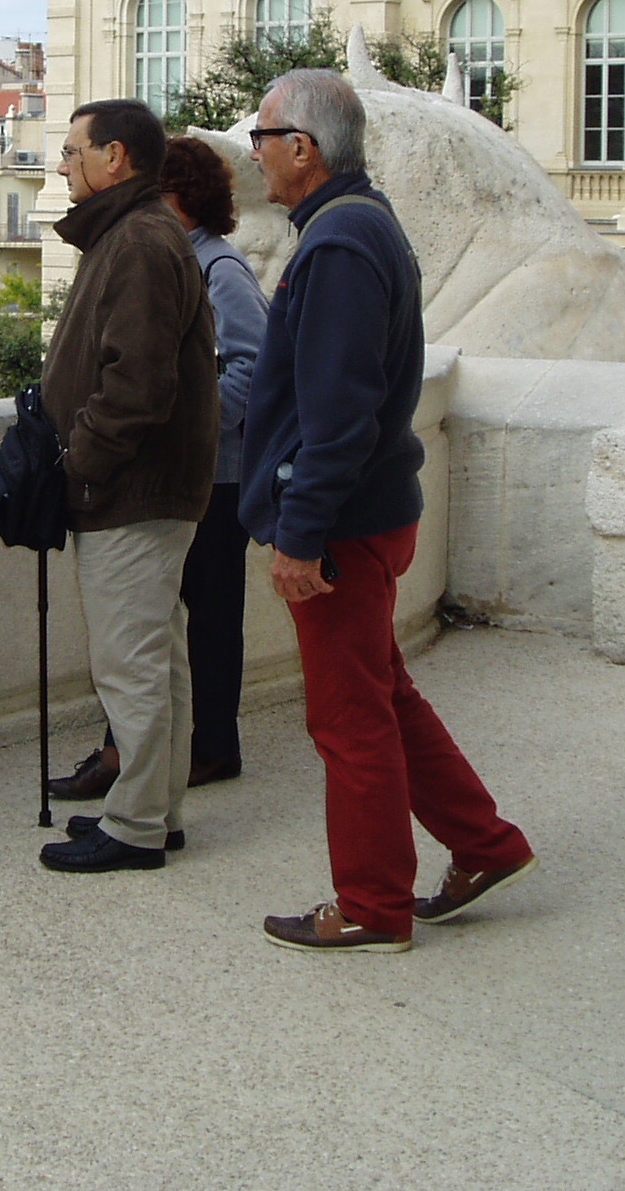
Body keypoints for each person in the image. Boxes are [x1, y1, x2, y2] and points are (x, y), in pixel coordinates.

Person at [241, 70, 536, 951]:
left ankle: (371, 904)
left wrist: (301, 536)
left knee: (349, 717)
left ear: (303, 148)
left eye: (262, 137)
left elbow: (337, 415)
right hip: (371, 511)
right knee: (384, 695)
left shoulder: (335, 244)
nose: (253, 152)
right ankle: (485, 845)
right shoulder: (361, 224)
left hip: (342, 523)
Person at [46, 133, 267, 800]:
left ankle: (204, 751)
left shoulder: (217, 268)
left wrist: (186, 424)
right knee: (158, 633)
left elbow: (251, 371)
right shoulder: (158, 251)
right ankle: (143, 763)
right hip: (186, 471)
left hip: (212, 477)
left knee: (197, 625)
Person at [36, 99, 219, 873]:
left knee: (132, 664)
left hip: (131, 493)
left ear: (117, 158)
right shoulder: (134, 233)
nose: (65, 169)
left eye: (73, 154)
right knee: (158, 660)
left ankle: (137, 828)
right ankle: (154, 811)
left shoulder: (139, 240)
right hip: (146, 489)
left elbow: (136, 387)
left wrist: (77, 464)